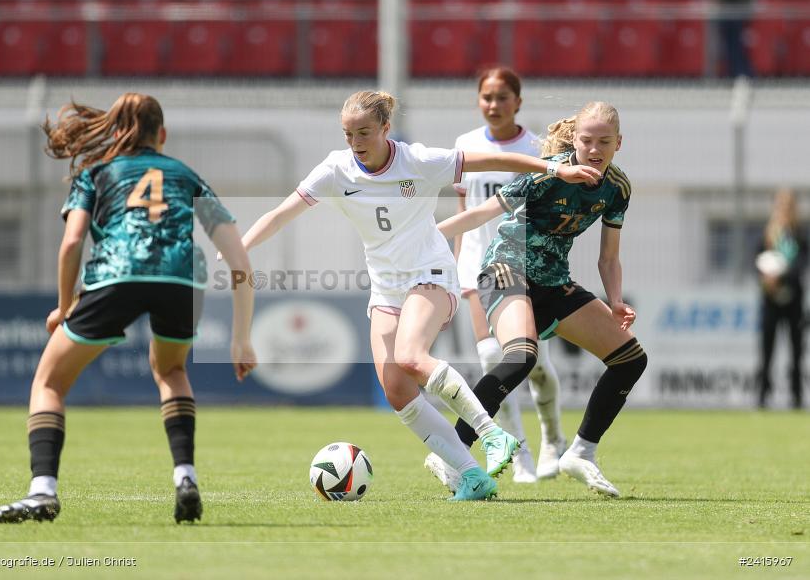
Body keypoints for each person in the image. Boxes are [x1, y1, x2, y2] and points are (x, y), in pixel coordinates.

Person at [237, 90, 600, 501]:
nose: (355, 142)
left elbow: (495, 161)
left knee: (411, 356)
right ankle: (472, 476)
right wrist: (242, 244)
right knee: (396, 388)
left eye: (364, 132)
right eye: (348, 133)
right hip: (386, 288)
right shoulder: (336, 170)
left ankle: (492, 434)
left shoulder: (419, 161)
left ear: (385, 129)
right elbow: (281, 214)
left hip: (431, 274)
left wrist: (551, 170)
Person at [0, 93, 256, 524]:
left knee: (49, 381)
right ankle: (185, 476)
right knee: (171, 371)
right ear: (162, 135)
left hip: (116, 276)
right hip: (179, 280)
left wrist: (64, 307)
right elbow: (239, 262)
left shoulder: (96, 173)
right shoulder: (187, 175)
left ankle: (42, 492)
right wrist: (241, 338)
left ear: (114, 132)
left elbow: (72, 242)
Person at [436, 102, 647, 498]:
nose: (595, 149)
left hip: (552, 282)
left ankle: (581, 452)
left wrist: (615, 300)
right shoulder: (547, 173)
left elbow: (608, 257)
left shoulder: (617, 188)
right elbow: (482, 213)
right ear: (576, 140)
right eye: (587, 140)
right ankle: (453, 451)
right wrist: (428, 237)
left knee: (631, 359)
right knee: (522, 355)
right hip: (505, 269)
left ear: (619, 143)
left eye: (605, 141)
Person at [427, 67, 567, 489]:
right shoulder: (465, 147)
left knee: (535, 365)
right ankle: (517, 452)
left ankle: (553, 438)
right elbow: (463, 213)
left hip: (522, 267)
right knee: (492, 359)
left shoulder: (538, 149)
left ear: (518, 102)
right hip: (476, 267)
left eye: (502, 97)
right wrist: (452, 269)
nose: (494, 104)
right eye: (486, 97)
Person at [756, 188, 806, 409]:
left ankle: (796, 396)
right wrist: (766, 278)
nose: (784, 210)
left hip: (794, 302)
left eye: (788, 206)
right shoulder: (768, 234)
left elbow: (802, 264)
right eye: (780, 205)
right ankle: (763, 396)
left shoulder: (800, 235)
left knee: (796, 352)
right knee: (767, 351)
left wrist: (781, 274)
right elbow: (756, 261)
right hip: (770, 302)